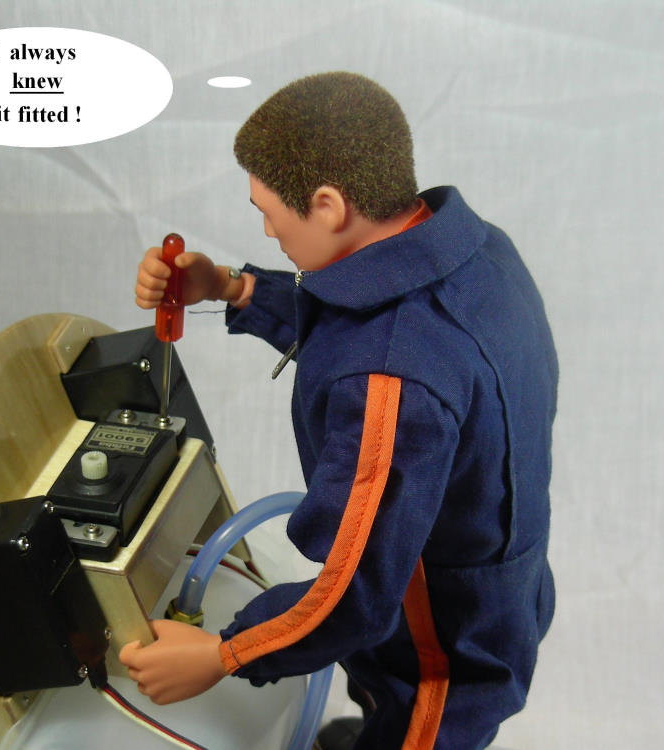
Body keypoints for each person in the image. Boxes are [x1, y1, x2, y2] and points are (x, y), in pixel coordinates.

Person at [122, 71, 557, 750]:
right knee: (386, 703)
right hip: (496, 581)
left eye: (269, 212)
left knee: (413, 729)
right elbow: (362, 315)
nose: (267, 229)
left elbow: (356, 593)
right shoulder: (472, 252)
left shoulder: (391, 374)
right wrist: (233, 288)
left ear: (327, 207)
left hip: (438, 647)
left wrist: (223, 655)